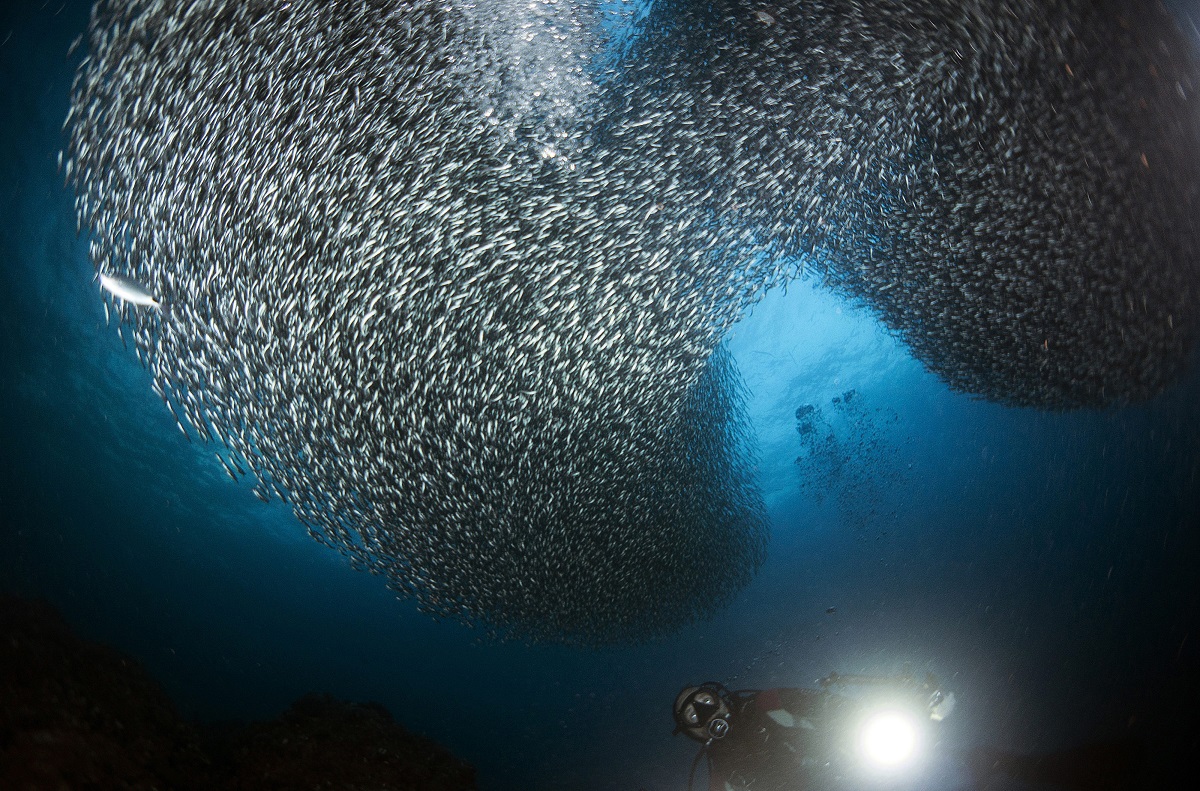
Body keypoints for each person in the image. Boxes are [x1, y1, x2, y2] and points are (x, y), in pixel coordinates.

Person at [672, 672, 953, 791]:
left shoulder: (766, 703)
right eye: (693, 714)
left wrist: (895, 709)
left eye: (705, 700)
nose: (705, 710)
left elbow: (829, 705)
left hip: (857, 774)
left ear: (719, 695)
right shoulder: (721, 780)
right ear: (693, 733)